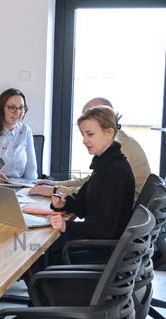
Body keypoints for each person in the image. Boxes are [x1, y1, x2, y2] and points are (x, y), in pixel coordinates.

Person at [42, 105, 135, 250]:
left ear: (109, 133)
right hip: (97, 240)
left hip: (101, 248)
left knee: (39, 249)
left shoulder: (115, 171)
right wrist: (63, 204)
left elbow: (104, 228)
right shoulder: (105, 164)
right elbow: (84, 203)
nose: (84, 140)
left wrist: (66, 225)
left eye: (90, 134)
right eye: (83, 134)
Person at [30, 96, 150, 202]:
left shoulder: (120, 151)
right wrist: (55, 184)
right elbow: (92, 181)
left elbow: (95, 193)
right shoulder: (114, 140)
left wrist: (55, 190)